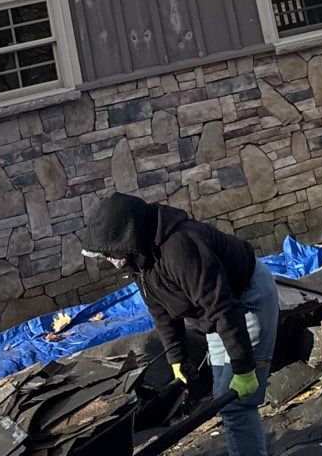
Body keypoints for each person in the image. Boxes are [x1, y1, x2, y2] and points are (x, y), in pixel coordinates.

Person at [81, 191, 278, 456]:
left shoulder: (180, 247)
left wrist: (243, 367)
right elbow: (160, 311)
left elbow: (222, 306)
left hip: (245, 298)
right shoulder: (141, 258)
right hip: (214, 313)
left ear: (125, 235)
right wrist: (177, 359)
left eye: (108, 253)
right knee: (223, 392)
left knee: (235, 403)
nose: (109, 259)